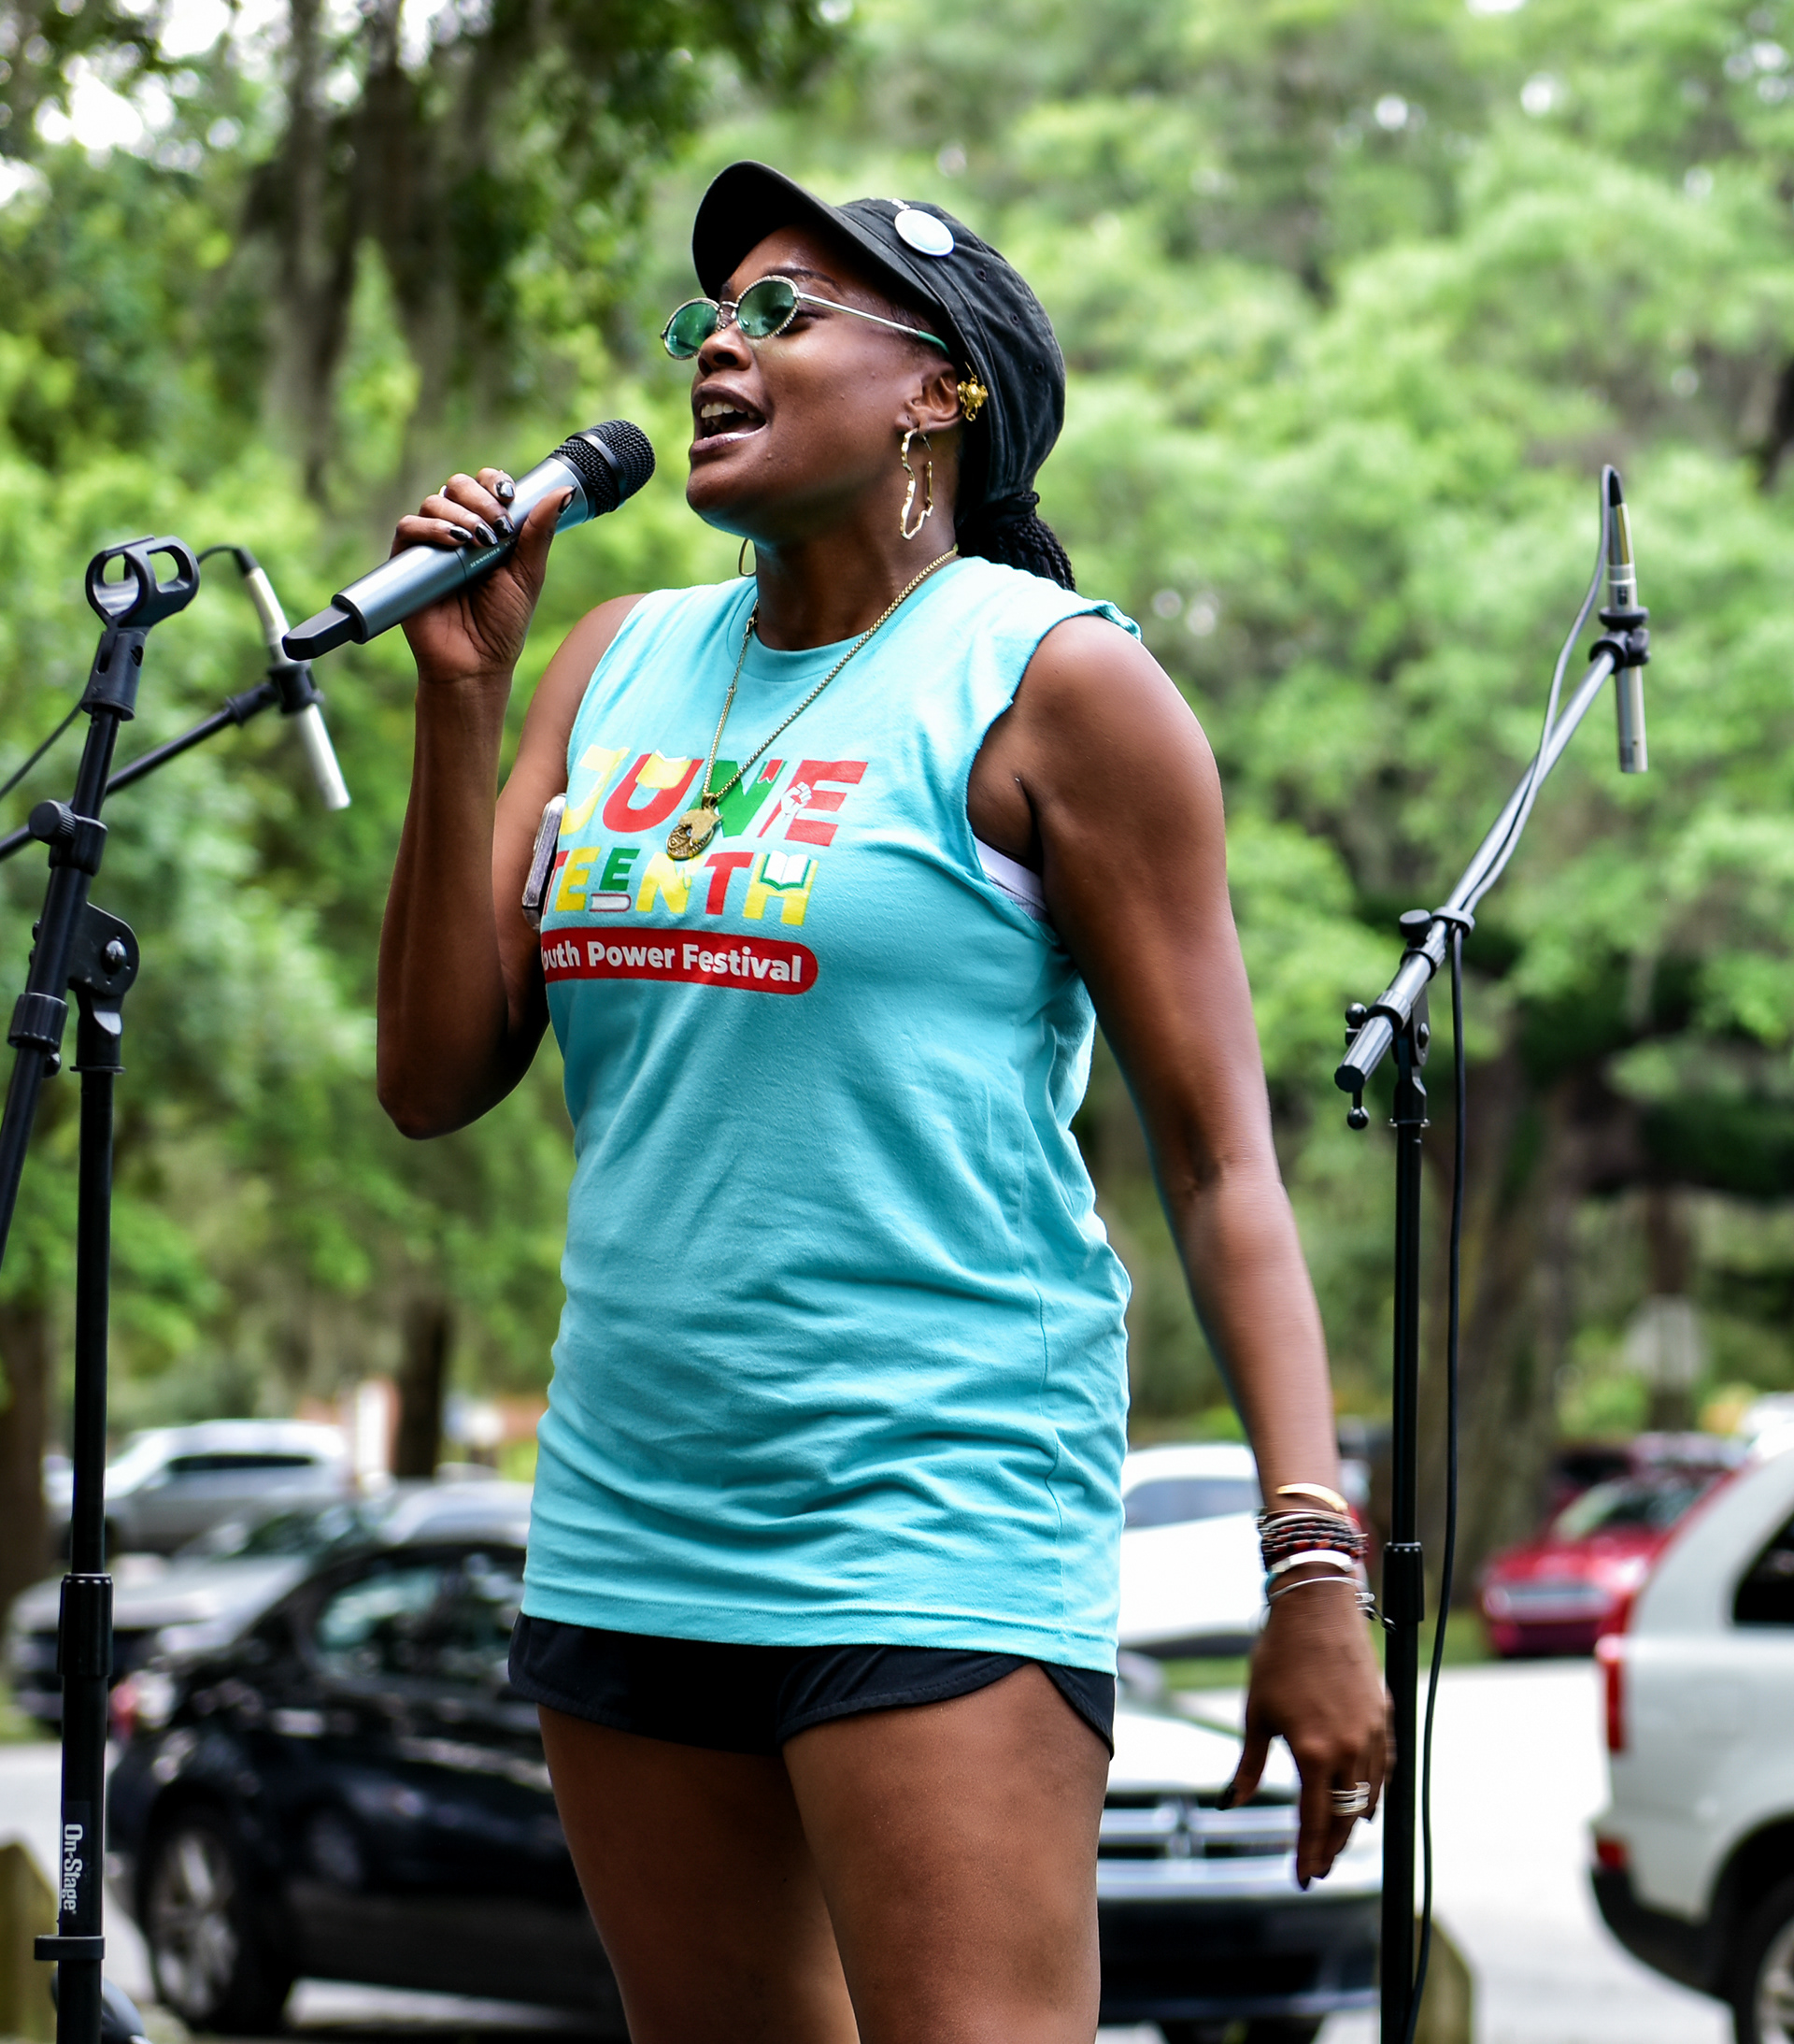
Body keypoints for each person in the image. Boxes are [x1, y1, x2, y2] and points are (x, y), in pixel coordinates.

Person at [377, 161, 1388, 2044]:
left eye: (781, 314)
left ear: (941, 392)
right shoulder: (607, 661)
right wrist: (463, 695)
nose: (716, 355)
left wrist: (1311, 1553)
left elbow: (1222, 1156)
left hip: (932, 1500)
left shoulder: (1053, 683)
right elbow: (437, 1076)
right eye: (704, 322)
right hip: (631, 1509)